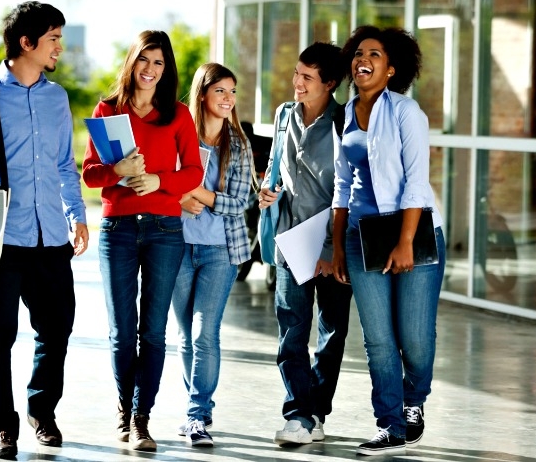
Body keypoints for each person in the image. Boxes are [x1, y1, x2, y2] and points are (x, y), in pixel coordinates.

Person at [0, 1, 89, 458]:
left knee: (57, 329)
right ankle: (2, 425)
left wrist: (77, 215)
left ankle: (41, 411)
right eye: (53, 39)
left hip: (51, 237)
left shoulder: (57, 97)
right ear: (25, 43)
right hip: (1, 239)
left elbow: (65, 163)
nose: (59, 48)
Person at [81, 30, 203, 452]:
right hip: (118, 231)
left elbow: (194, 173)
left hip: (165, 231)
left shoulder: (179, 114)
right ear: (131, 62)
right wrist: (118, 170)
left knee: (152, 332)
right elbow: (90, 174)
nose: (150, 70)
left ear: (166, 70)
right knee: (122, 331)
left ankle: (141, 419)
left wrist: (157, 180)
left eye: (159, 63)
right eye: (144, 60)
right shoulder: (107, 110)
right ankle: (122, 412)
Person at [331, 25, 446, 456]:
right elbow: (343, 185)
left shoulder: (405, 112)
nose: (364, 59)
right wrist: (339, 245)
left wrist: (405, 242)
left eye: (375, 54)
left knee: (414, 336)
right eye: (359, 53)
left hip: (412, 234)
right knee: (378, 339)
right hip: (362, 238)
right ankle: (390, 424)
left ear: (392, 68)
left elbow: (417, 182)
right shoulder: (346, 114)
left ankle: (414, 402)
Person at [257, 42, 353, 446]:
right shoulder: (283, 115)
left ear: (330, 83)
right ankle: (298, 412)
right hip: (290, 241)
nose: (297, 82)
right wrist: (267, 189)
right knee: (291, 331)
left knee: (331, 333)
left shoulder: (345, 121)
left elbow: (350, 188)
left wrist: (331, 251)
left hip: (332, 244)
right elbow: (276, 167)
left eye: (307, 77)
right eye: (297, 73)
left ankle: (316, 412)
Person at [172, 62, 254, 447]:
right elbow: (160, 185)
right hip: (174, 246)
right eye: (220, 90)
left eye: (233, 91)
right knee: (186, 335)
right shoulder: (178, 136)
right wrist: (179, 196)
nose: (228, 99)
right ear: (202, 94)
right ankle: (195, 407)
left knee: (206, 333)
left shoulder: (237, 145)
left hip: (220, 250)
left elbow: (239, 203)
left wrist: (196, 194)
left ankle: (197, 414)